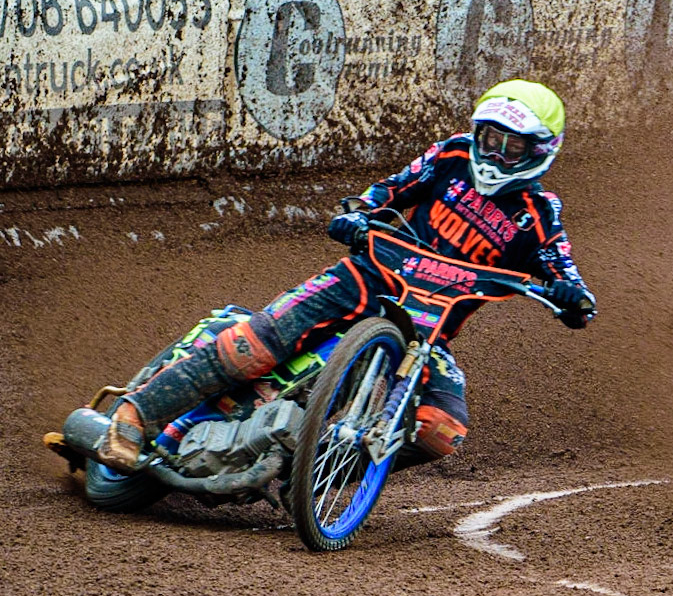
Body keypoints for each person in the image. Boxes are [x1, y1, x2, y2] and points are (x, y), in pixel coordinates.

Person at [96, 79, 595, 472]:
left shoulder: (539, 212)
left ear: (539, 150)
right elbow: (387, 192)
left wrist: (572, 296)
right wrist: (357, 213)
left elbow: (563, 269)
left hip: (424, 330)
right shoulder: (451, 155)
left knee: (442, 428)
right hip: (362, 279)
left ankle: (312, 469)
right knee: (258, 342)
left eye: (511, 146)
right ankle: (135, 416)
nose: (494, 154)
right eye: (490, 138)